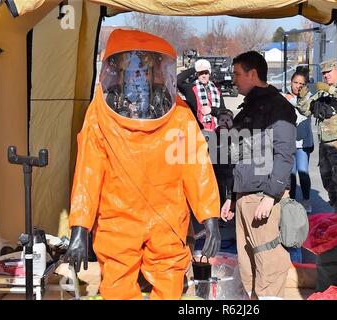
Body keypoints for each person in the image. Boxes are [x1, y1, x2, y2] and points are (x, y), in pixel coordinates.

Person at [63, 29, 221, 300]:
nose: (138, 75)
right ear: (118, 70)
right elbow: (88, 173)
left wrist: (210, 217)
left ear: (155, 70)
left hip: (167, 218)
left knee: (170, 283)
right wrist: (80, 227)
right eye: (132, 68)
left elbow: (196, 167)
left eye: (144, 68)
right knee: (117, 286)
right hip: (118, 219)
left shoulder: (178, 113)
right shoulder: (100, 114)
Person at [223, 51, 296, 299]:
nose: (233, 80)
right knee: (248, 270)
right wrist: (231, 197)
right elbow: (238, 155)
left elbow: (285, 156)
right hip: (245, 198)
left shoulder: (279, 108)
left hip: (263, 200)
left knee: (269, 268)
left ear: (252, 74)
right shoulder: (248, 108)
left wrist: (270, 195)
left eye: (237, 74)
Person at [297, 59, 337, 217]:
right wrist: (302, 97)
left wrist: (330, 89)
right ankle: (336, 209)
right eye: (323, 73)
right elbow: (306, 111)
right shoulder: (322, 91)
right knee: (327, 179)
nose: (326, 75)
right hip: (324, 142)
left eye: (329, 72)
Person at [283, 71, 314, 213]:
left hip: (303, 143)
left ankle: (306, 200)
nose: (298, 86)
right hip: (289, 142)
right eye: (296, 82)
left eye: (301, 84)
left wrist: (296, 99)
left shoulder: (309, 98)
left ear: (305, 85)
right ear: (291, 82)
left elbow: (306, 110)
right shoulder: (283, 98)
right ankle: (292, 201)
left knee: (303, 171)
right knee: (291, 173)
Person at [177, 59, 226, 131]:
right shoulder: (190, 88)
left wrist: (211, 110)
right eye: (201, 73)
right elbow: (177, 80)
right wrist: (195, 68)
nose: (203, 76)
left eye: (206, 73)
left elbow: (223, 111)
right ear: (197, 74)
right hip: (196, 130)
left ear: (209, 74)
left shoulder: (216, 90)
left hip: (215, 130)